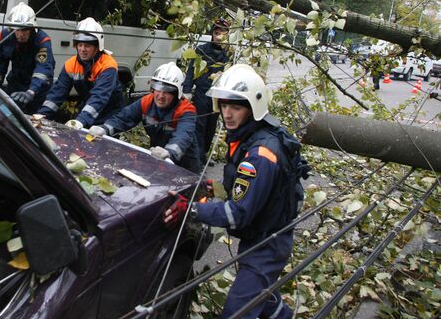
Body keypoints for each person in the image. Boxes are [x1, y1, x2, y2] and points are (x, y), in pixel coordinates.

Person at [164, 64, 309, 319]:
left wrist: (191, 209)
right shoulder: (250, 135)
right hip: (264, 235)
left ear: (253, 108)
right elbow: (249, 190)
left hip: (266, 244)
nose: (227, 114)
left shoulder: (260, 155)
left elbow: (236, 214)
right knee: (261, 296)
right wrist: (217, 188)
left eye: (236, 107)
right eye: (223, 105)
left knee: (237, 311)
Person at [89, 62, 201, 173]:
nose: (160, 96)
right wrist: (104, 128)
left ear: (177, 92)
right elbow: (123, 118)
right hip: (157, 157)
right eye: (158, 89)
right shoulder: (146, 102)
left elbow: (183, 136)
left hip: (185, 164)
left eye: (167, 92)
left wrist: (170, 152)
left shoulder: (186, 110)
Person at [37, 17, 123, 128]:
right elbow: (57, 94)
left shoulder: (108, 65)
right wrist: (41, 115)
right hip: (88, 110)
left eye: (87, 45)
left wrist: (81, 120)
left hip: (110, 115)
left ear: (97, 47)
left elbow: (99, 97)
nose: (82, 49)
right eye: (80, 45)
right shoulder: (71, 65)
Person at [0, 2, 55, 114]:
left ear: (32, 28)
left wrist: (31, 92)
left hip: (37, 89)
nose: (21, 34)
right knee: (7, 115)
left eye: (25, 29)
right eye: (17, 30)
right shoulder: (4, 36)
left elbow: (43, 68)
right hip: (15, 84)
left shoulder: (42, 40)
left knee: (33, 121)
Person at [183, 17, 231, 166]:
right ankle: (197, 157)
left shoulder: (229, 54)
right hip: (202, 94)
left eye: (222, 34)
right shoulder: (202, 49)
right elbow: (191, 70)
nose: (219, 37)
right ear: (212, 34)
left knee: (211, 126)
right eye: (217, 33)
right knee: (199, 126)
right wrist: (187, 90)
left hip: (217, 96)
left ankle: (203, 154)